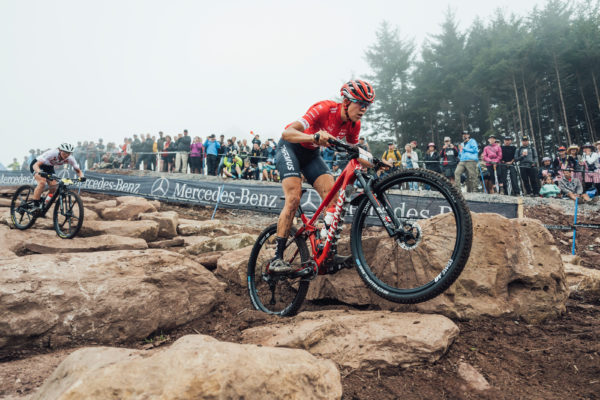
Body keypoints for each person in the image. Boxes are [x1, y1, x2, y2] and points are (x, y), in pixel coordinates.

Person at [270, 79, 375, 273]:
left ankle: (326, 252)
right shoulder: (324, 108)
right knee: (293, 198)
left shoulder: (354, 125)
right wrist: (313, 137)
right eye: (360, 103)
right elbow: (287, 133)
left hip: (312, 155)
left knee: (334, 199)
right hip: (290, 148)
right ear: (346, 102)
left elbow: (355, 153)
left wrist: (375, 162)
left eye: (367, 105)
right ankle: (277, 258)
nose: (364, 109)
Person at [29, 143, 85, 211]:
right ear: (60, 150)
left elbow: (78, 171)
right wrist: (39, 172)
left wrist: (82, 177)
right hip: (38, 165)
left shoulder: (70, 159)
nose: (66, 155)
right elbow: (35, 165)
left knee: (54, 188)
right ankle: (35, 204)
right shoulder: (52, 153)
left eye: (69, 153)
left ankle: (44, 203)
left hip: (49, 167)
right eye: (65, 153)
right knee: (42, 182)